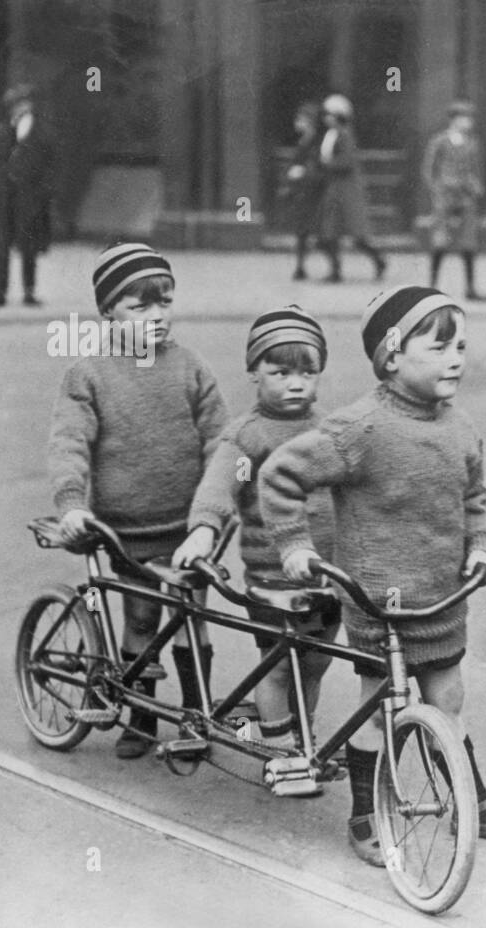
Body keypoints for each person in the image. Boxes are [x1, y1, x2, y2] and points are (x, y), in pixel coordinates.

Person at [259, 285, 486, 862]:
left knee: (447, 697)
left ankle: (473, 801)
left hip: (441, 597)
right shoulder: (359, 430)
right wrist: (293, 544)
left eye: (461, 346)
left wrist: (482, 544)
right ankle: (364, 812)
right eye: (439, 348)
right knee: (375, 705)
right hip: (378, 600)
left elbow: (474, 496)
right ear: (391, 355)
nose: (456, 359)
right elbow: (280, 475)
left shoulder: (460, 427)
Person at [49, 242, 229, 758]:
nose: (156, 317)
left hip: (190, 527)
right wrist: (71, 502)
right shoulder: (88, 374)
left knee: (193, 616)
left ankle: (197, 719)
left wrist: (215, 511)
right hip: (128, 530)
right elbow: (69, 442)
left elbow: (221, 440)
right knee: (143, 618)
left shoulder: (192, 368)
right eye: (139, 306)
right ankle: (141, 715)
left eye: (164, 303)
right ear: (107, 311)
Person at [173, 305, 338, 794]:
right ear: (253, 373)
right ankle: (280, 749)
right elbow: (219, 488)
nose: (296, 383)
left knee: (315, 661)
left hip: (328, 576)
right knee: (279, 664)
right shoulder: (249, 437)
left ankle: (302, 736)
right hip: (273, 579)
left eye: (307, 372)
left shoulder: (329, 431)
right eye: (280, 371)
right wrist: (204, 529)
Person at [0, 84, 54, 308]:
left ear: (30, 105)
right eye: (15, 104)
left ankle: (29, 292)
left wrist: (43, 193)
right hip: (2, 196)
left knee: (29, 246)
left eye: (23, 103)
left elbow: (50, 166)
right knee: (0, 246)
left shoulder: (41, 132)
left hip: (29, 197)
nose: (19, 108)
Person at [318, 94, 387, 283]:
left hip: (348, 190)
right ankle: (335, 270)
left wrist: (327, 164)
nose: (326, 118)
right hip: (335, 189)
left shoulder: (345, 135)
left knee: (357, 235)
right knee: (329, 232)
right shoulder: (332, 134)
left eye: (330, 114)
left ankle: (378, 259)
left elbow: (347, 161)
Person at [421, 101, 485, 300]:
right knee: (440, 241)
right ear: (454, 120)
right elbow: (428, 169)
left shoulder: (472, 143)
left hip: (465, 196)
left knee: (468, 242)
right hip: (444, 196)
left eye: (470, 119)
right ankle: (432, 285)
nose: (468, 123)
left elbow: (476, 169)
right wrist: (437, 190)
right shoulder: (439, 141)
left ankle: (470, 287)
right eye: (464, 119)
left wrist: (476, 187)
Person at [282, 102, 328, 281]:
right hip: (304, 193)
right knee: (303, 232)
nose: (296, 122)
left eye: (300, 119)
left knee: (320, 234)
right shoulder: (305, 141)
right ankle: (300, 268)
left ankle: (335, 267)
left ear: (309, 122)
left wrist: (302, 172)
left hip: (315, 194)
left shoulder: (317, 142)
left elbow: (319, 167)